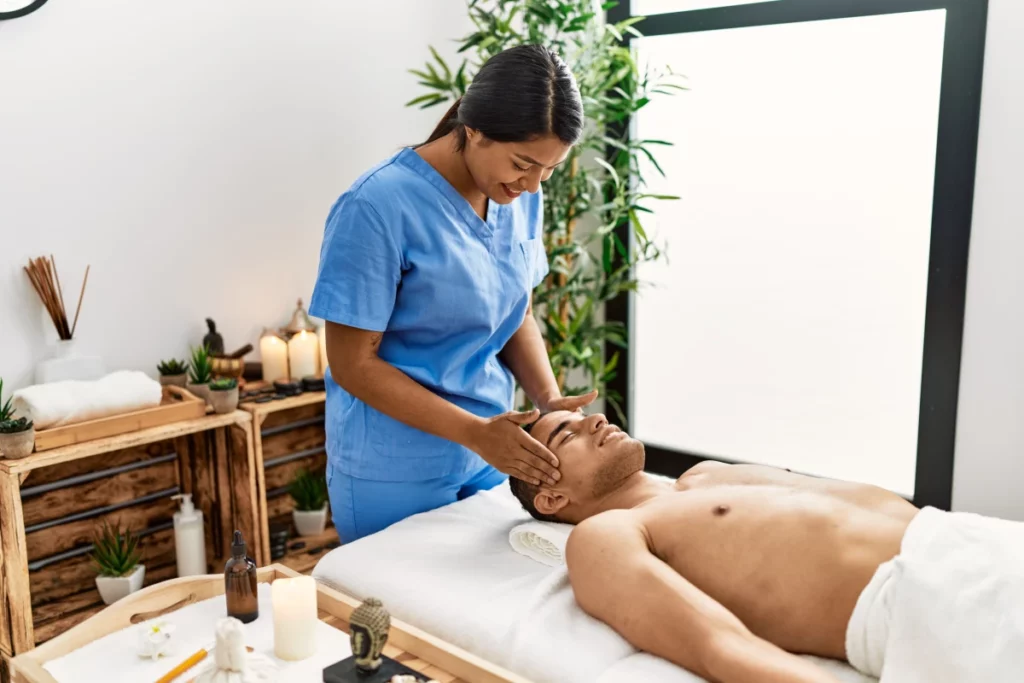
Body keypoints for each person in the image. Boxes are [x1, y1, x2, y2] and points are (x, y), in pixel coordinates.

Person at [309, 44, 597, 544]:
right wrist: (474, 433)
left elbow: (514, 311)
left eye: (548, 171)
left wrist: (548, 400)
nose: (531, 186)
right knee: (398, 614)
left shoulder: (520, 194)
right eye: (523, 164)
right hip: (393, 464)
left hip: (490, 451)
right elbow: (353, 364)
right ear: (475, 129)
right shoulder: (376, 206)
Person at [511, 410, 1024, 683]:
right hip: (927, 601)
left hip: (973, 539)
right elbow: (720, 647)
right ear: (552, 496)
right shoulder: (607, 536)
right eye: (566, 435)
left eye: (582, 416)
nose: (594, 419)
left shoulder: (706, 475)